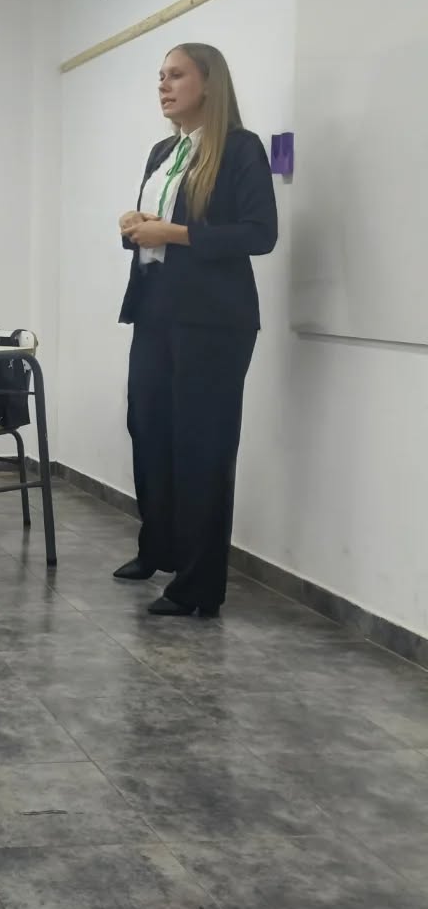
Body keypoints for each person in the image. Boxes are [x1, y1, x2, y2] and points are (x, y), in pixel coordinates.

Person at [115, 43, 277, 617]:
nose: (163, 85)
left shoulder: (240, 148)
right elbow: (156, 231)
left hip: (213, 321)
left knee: (202, 444)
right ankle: (158, 547)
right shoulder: (164, 151)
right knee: (147, 427)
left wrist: (174, 234)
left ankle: (198, 585)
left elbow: (259, 234)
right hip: (155, 308)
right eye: (160, 76)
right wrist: (134, 226)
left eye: (176, 75)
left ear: (209, 83)